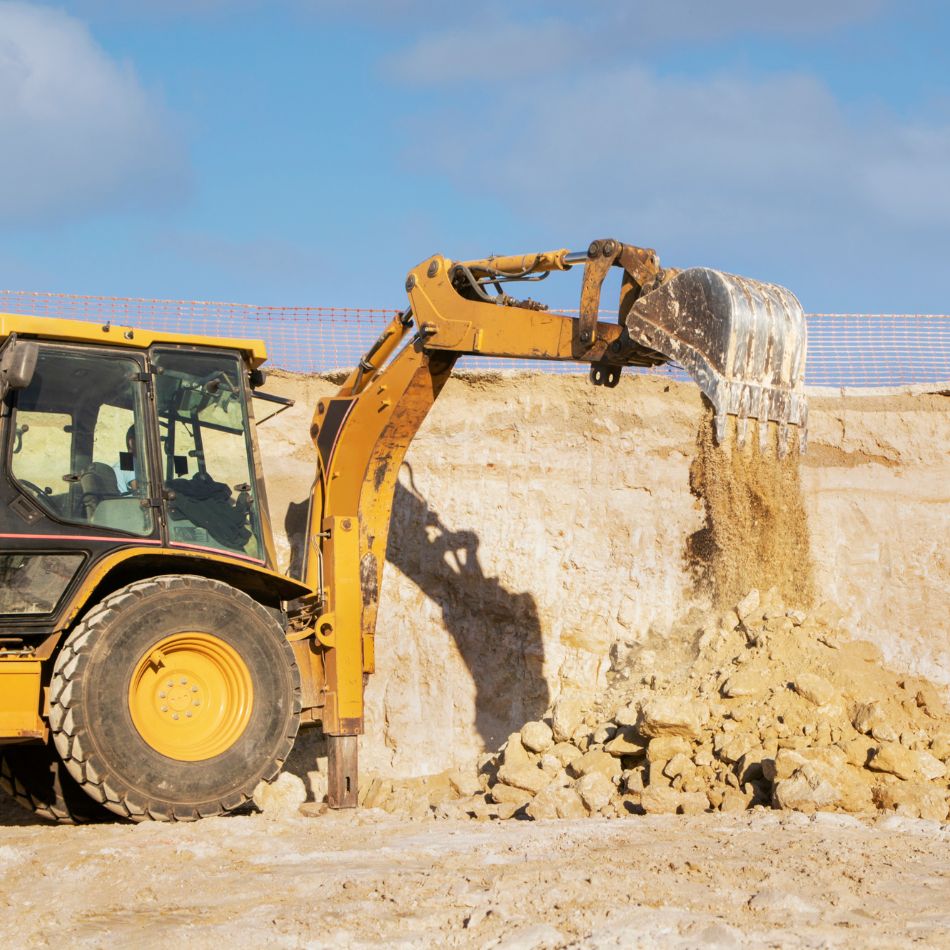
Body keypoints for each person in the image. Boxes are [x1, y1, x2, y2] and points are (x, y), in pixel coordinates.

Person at [113, 425, 139, 493]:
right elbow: (138, 489)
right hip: (127, 502)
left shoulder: (137, 463)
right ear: (132, 443)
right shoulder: (126, 460)